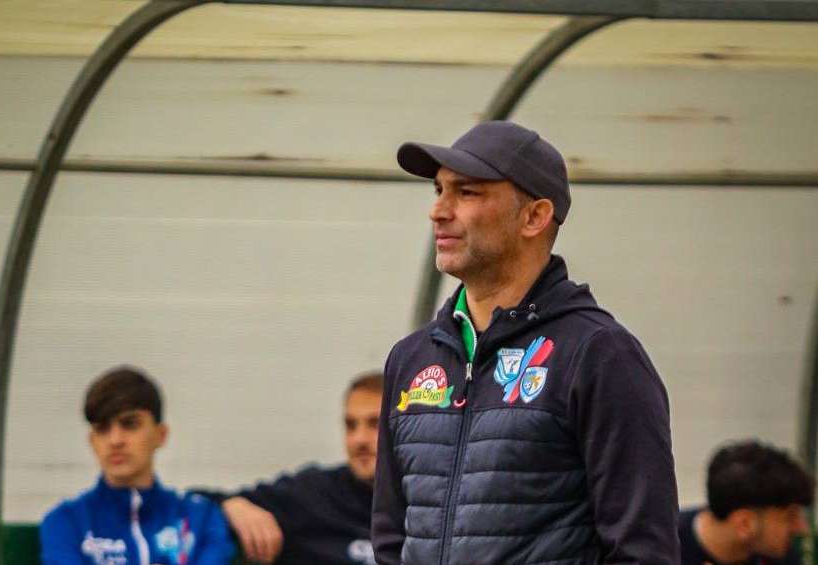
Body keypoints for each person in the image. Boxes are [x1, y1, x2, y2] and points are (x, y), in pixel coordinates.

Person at [372, 120, 680, 564]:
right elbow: (390, 543)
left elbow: (643, 550)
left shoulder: (598, 354)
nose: (438, 211)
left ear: (534, 217)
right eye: (438, 190)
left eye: (467, 192)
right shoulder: (411, 359)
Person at [40, 366, 235, 565]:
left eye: (130, 424)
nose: (115, 440)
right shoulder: (66, 522)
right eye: (103, 428)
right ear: (92, 441)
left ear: (161, 435)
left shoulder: (201, 518)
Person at [202, 372, 383, 565]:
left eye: (375, 424)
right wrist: (232, 505)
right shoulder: (314, 494)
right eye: (350, 425)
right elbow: (193, 507)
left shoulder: (408, 505)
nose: (359, 439)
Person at [679, 440, 814, 565]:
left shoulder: (782, 555)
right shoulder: (669, 548)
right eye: (790, 517)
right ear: (744, 524)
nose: (802, 528)